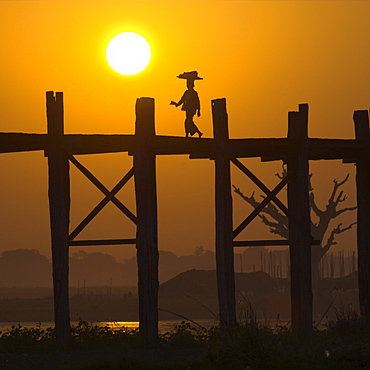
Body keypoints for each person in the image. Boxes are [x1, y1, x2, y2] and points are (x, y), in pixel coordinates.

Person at [173, 71, 203, 138]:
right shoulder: (186, 92)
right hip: (187, 108)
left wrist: (199, 110)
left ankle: (189, 133)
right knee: (189, 121)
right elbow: (182, 99)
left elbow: (197, 102)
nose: (187, 85)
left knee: (187, 121)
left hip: (192, 109)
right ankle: (197, 132)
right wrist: (177, 104)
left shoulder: (194, 93)